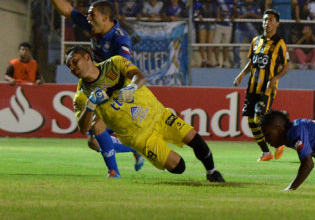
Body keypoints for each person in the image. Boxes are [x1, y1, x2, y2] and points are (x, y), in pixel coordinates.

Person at [34, 0, 144, 178]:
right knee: (94, 142)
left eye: (91, 15)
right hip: (97, 84)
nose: (87, 19)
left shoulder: (120, 39)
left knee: (97, 130)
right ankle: (134, 148)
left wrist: (108, 89)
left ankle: (114, 172)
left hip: (116, 88)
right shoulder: (95, 29)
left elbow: (123, 67)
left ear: (105, 18)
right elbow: (68, 11)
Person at [66, 46, 225, 182]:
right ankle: (135, 151)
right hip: (140, 137)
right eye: (69, 66)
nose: (72, 68)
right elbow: (83, 128)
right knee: (178, 167)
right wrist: (90, 105)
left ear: (87, 57)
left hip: (158, 115)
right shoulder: (82, 95)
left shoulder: (114, 63)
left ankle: (212, 172)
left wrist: (132, 87)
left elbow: (139, 77)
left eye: (74, 62)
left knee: (194, 138)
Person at [233, 9, 290, 161]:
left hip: (267, 89)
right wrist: (241, 75)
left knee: (261, 118)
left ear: (277, 23)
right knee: (251, 121)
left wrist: (275, 78)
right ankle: (266, 152)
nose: (267, 23)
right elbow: (252, 62)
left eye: (271, 20)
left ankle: (279, 142)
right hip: (252, 87)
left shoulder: (280, 43)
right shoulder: (256, 41)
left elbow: (287, 66)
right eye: (265, 20)